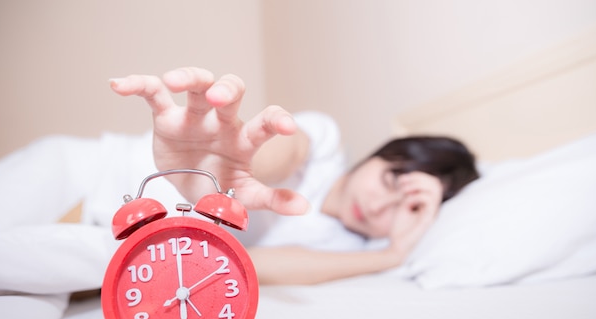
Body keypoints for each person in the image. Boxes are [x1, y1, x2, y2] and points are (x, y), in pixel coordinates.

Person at [106, 67, 479, 285]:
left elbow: (253, 268)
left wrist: (395, 254)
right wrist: (235, 164)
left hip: (126, 240)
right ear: (376, 157)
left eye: (405, 208)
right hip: (107, 171)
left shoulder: (351, 249)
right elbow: (285, 152)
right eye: (390, 181)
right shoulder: (323, 145)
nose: (379, 205)